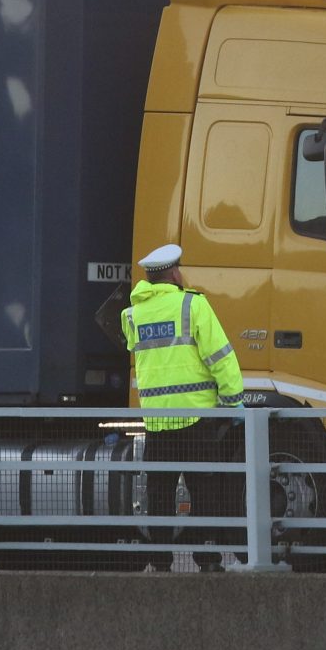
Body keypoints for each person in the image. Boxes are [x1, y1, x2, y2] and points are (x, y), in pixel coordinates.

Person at [121, 243, 245, 572]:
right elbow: (221, 357)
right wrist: (233, 401)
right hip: (195, 418)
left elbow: (133, 346)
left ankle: (161, 563)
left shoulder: (133, 314)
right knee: (204, 491)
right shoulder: (192, 305)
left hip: (157, 422)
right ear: (175, 273)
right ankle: (207, 561)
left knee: (159, 495)